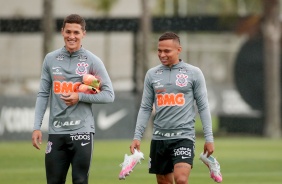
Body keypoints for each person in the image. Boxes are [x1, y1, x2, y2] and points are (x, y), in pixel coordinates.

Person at [32, 14, 114, 184]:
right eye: (68, 31)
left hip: (82, 132)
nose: (71, 36)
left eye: (76, 32)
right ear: (62, 32)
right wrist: (36, 127)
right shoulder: (51, 59)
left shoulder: (92, 61)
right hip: (56, 132)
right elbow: (42, 94)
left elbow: (109, 95)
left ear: (84, 33)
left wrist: (80, 97)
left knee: (80, 181)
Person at [130, 32, 215, 184]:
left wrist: (209, 138)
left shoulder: (193, 73)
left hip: (183, 137)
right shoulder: (152, 74)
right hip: (159, 138)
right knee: (164, 182)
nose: (162, 54)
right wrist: (137, 136)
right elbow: (145, 108)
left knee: (181, 179)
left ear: (179, 50)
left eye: (167, 51)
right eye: (159, 50)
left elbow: (203, 106)